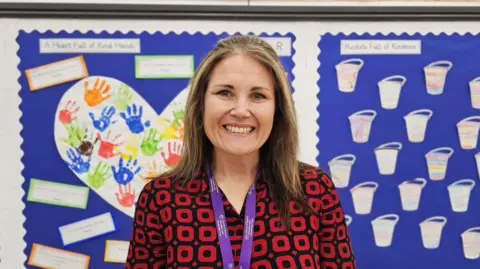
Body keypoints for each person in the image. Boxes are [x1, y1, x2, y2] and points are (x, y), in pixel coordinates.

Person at [125, 34, 355, 269]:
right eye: (225, 92)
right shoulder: (161, 198)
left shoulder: (314, 190)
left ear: (277, 110)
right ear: (200, 103)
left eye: (258, 96)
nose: (241, 110)